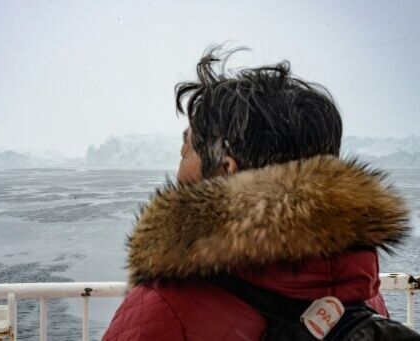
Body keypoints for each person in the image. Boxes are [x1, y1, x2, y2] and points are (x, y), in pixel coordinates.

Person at [102, 46, 409, 340]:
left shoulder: (166, 308)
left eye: (188, 147)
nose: (180, 157)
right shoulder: (360, 295)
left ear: (226, 169)